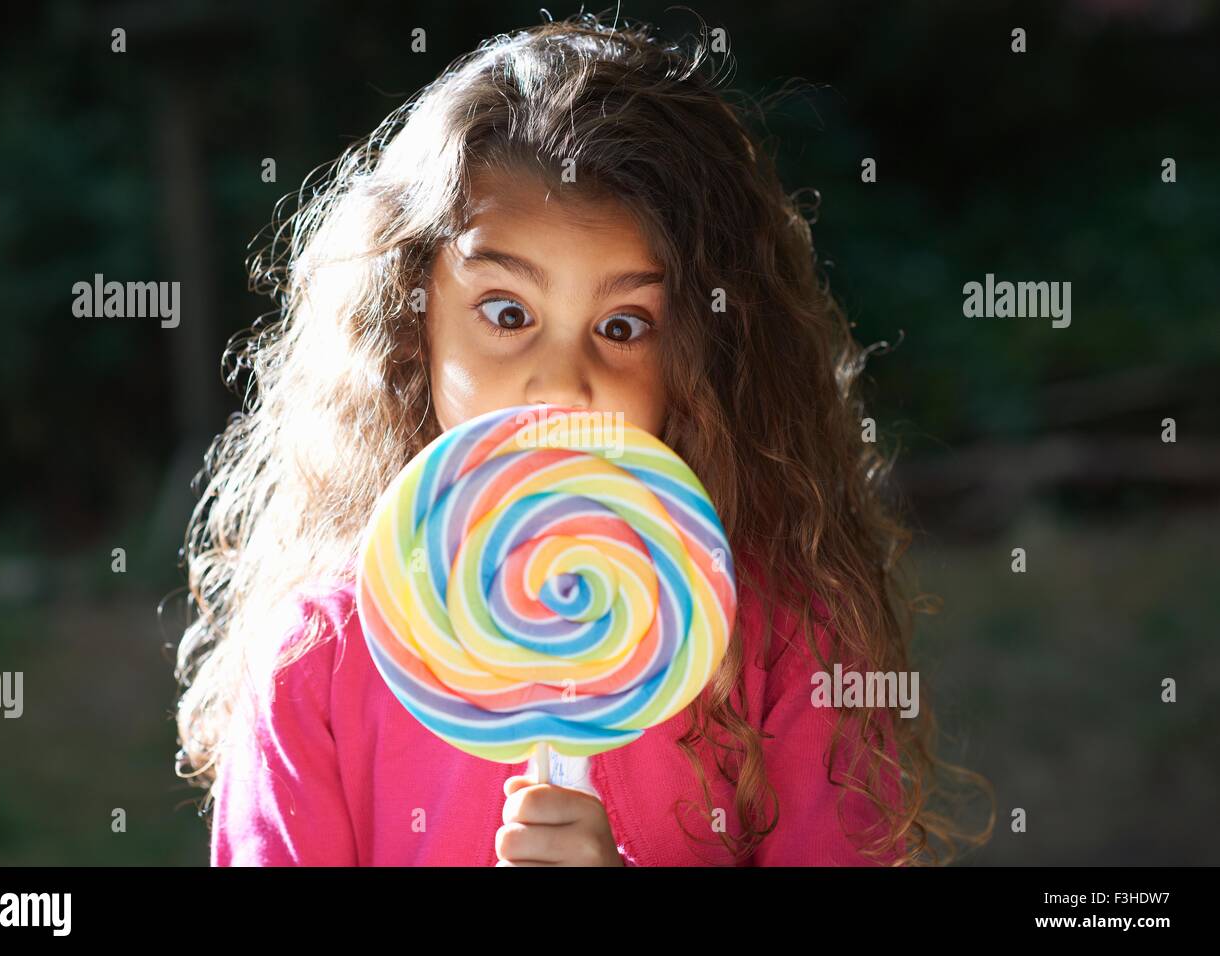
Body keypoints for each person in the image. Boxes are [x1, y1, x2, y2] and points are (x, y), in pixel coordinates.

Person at [174, 12, 991, 866]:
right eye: (506, 313)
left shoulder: (788, 639)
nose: (563, 381)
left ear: (701, 356)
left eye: (624, 324)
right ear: (410, 322)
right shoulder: (318, 663)